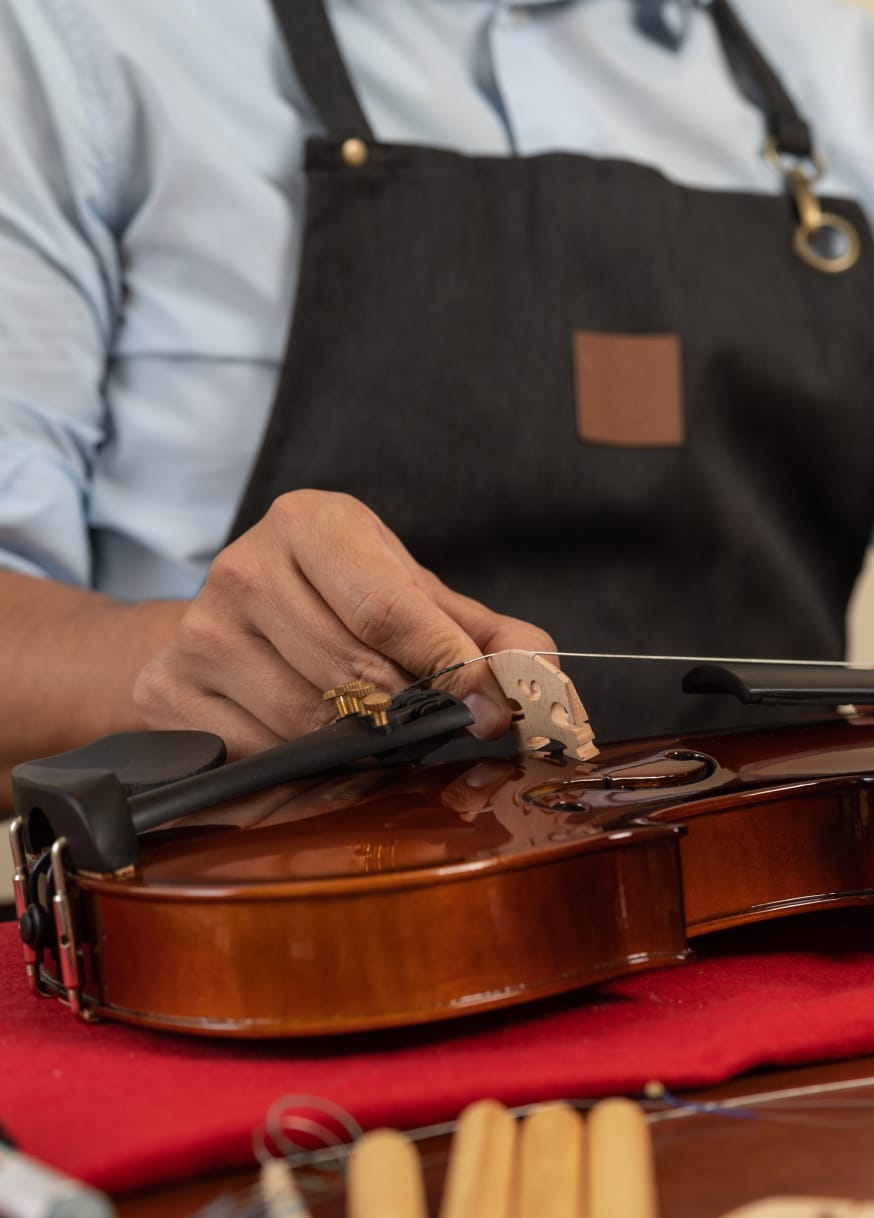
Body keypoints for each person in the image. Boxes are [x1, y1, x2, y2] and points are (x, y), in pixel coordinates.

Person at [0, 0, 873, 810]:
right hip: (294, 935)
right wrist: (184, 665)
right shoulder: (84, 37)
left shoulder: (834, 62)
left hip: (795, 928)